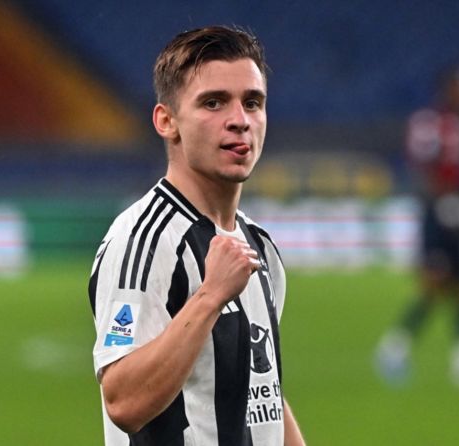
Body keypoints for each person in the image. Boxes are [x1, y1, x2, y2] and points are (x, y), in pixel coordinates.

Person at [88, 26, 306, 445]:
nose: (239, 121)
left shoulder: (258, 246)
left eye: (253, 103)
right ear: (167, 121)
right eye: (213, 103)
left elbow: (262, 394)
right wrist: (209, 297)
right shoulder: (144, 240)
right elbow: (123, 402)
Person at [375, 63, 459, 388]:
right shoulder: (429, 123)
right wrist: (441, 202)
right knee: (435, 284)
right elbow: (423, 167)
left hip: (456, 211)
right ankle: (393, 351)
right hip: (437, 213)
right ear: (448, 88)